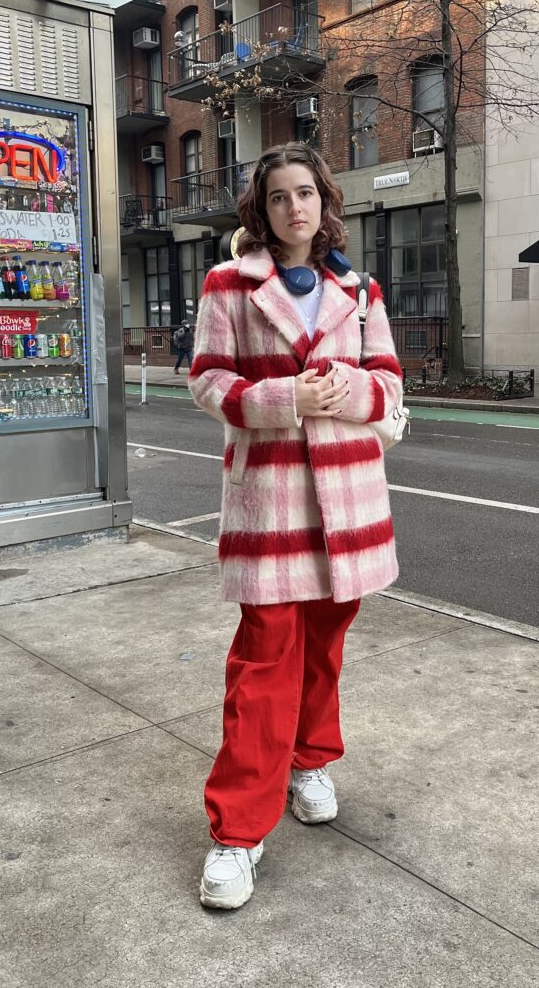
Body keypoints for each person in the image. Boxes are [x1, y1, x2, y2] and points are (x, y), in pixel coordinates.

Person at [188, 142, 402, 910]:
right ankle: (237, 834)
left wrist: (345, 389)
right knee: (264, 660)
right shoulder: (228, 283)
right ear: (261, 207)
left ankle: (311, 761)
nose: (294, 208)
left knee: (325, 647)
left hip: (347, 501)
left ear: (325, 199)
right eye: (278, 196)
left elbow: (389, 386)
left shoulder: (361, 288)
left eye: (304, 192)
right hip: (273, 501)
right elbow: (209, 379)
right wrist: (283, 401)